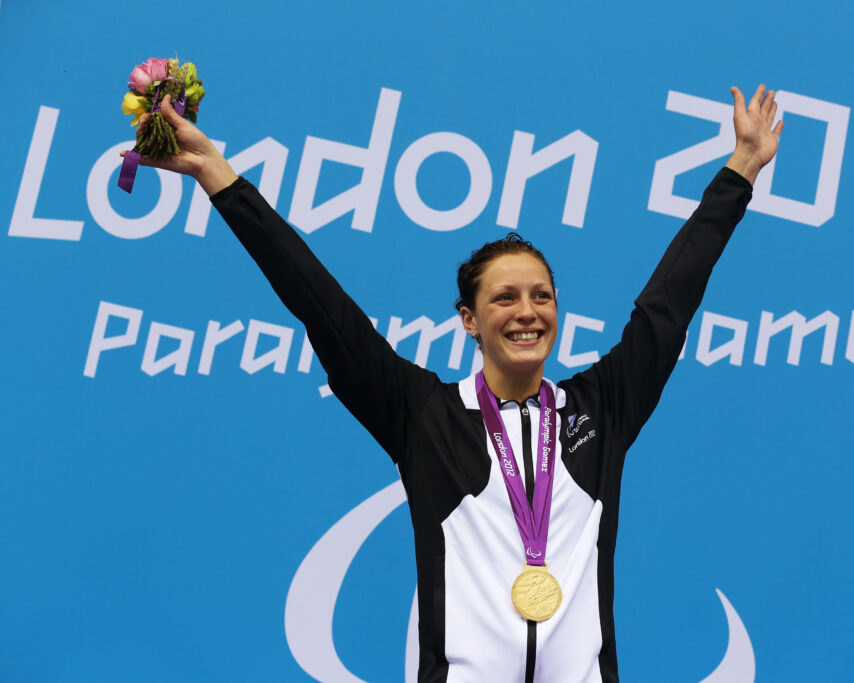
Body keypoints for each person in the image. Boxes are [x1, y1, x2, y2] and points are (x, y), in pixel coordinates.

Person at [132, 84, 782, 683]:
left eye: (542, 296)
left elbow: (668, 303)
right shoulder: (423, 415)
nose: (527, 311)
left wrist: (742, 168)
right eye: (505, 298)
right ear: (468, 318)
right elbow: (320, 305)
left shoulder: (601, 409)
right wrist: (218, 176)